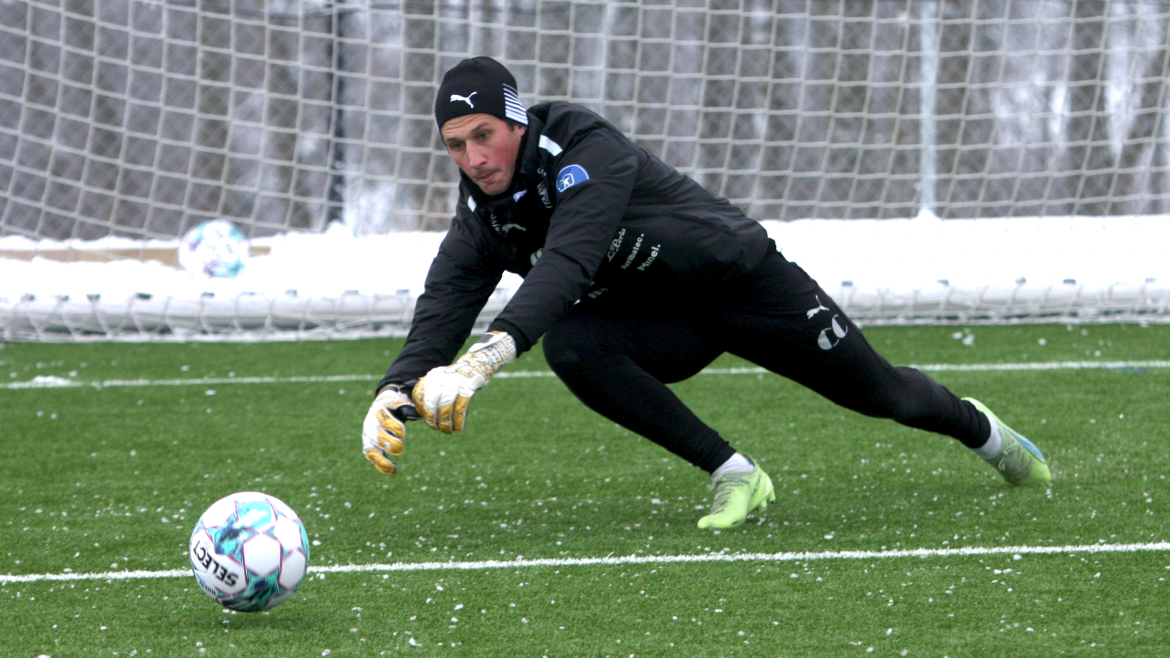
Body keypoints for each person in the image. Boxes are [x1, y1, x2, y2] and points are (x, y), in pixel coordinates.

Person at [361, 56, 1051, 529]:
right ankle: (734, 472)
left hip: (745, 284)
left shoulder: (582, 145)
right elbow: (447, 298)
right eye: (457, 145)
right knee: (574, 344)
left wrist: (484, 359)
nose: (475, 158)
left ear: (516, 122)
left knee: (884, 395)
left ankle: (982, 431)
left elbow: (568, 261)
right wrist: (394, 390)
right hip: (666, 320)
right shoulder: (481, 213)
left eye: (484, 136)